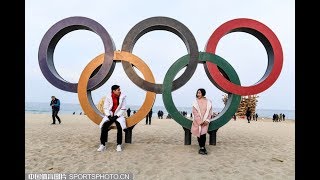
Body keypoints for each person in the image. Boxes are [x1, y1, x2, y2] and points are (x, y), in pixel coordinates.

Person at [97, 85, 127, 152]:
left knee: (119, 127)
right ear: (114, 91)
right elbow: (105, 107)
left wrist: (116, 116)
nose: (120, 91)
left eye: (119, 89)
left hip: (118, 115)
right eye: (118, 90)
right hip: (110, 114)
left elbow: (123, 108)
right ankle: (102, 145)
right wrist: (109, 116)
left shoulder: (123, 97)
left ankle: (119, 145)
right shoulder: (108, 97)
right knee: (104, 127)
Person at [191, 88, 213, 155]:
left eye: (199, 93)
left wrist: (207, 120)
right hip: (198, 122)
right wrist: (200, 121)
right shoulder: (195, 102)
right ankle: (201, 147)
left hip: (205, 121)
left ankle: (203, 147)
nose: (198, 94)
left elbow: (210, 112)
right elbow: (195, 112)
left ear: (203, 93)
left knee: (203, 134)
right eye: (197, 93)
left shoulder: (208, 102)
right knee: (199, 134)